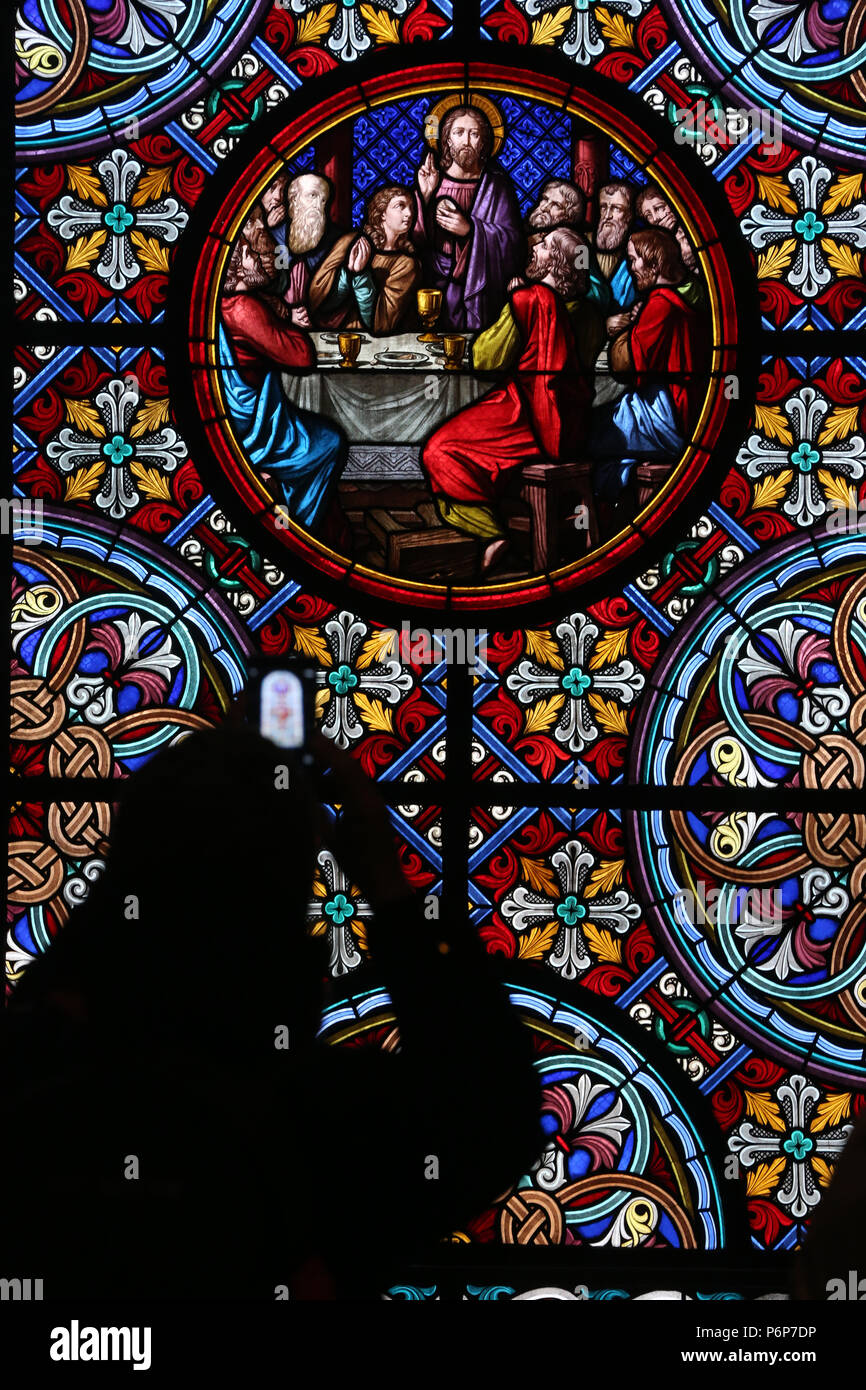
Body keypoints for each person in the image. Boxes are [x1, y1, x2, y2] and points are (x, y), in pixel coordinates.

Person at [3, 719, 543, 1300]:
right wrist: (390, 894)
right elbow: (494, 1110)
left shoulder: (29, 1071)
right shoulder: (312, 1118)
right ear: (286, 933)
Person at [422, 225, 592, 574]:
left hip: (523, 414)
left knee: (439, 450)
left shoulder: (530, 300)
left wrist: (513, 306)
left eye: (544, 247)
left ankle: (492, 533)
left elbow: (485, 360)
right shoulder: (586, 313)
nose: (534, 249)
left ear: (556, 263)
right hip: (566, 423)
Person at [220, 216, 348, 537]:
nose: (256, 259)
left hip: (245, 418)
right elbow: (301, 356)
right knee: (329, 443)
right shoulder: (243, 309)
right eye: (248, 255)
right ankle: (297, 530)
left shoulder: (228, 307)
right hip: (254, 430)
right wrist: (292, 321)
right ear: (236, 267)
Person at [590, 226, 709, 514]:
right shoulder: (691, 299)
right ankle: (615, 503)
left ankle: (602, 512)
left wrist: (624, 331)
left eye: (633, 260)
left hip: (667, 415)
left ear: (654, 262)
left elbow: (625, 366)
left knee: (587, 433)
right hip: (686, 407)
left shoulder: (662, 305)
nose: (631, 269)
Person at [413, 103, 523, 331]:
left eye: (475, 134)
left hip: (482, 289)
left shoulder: (497, 186)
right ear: (447, 139)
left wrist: (472, 231)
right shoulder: (432, 182)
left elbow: (514, 244)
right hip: (433, 284)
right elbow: (413, 242)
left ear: (483, 143)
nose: (466, 141)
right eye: (459, 132)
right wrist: (424, 198)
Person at [308, 184, 421, 334]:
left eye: (411, 207)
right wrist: (348, 274)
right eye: (400, 206)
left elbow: (381, 323)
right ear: (382, 214)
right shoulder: (350, 243)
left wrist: (360, 276)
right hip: (339, 337)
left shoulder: (407, 264)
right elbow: (319, 300)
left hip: (381, 346)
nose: (409, 213)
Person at [261, 171, 341, 326]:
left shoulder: (336, 240)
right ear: (293, 200)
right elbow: (271, 285)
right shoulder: (275, 236)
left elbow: (335, 293)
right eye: (312, 196)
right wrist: (285, 313)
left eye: (323, 199)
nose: (318, 205)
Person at [592, 181, 637, 310]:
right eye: (603, 207)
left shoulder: (638, 250)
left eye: (616, 208)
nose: (607, 216)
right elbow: (581, 279)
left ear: (629, 215)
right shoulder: (583, 246)